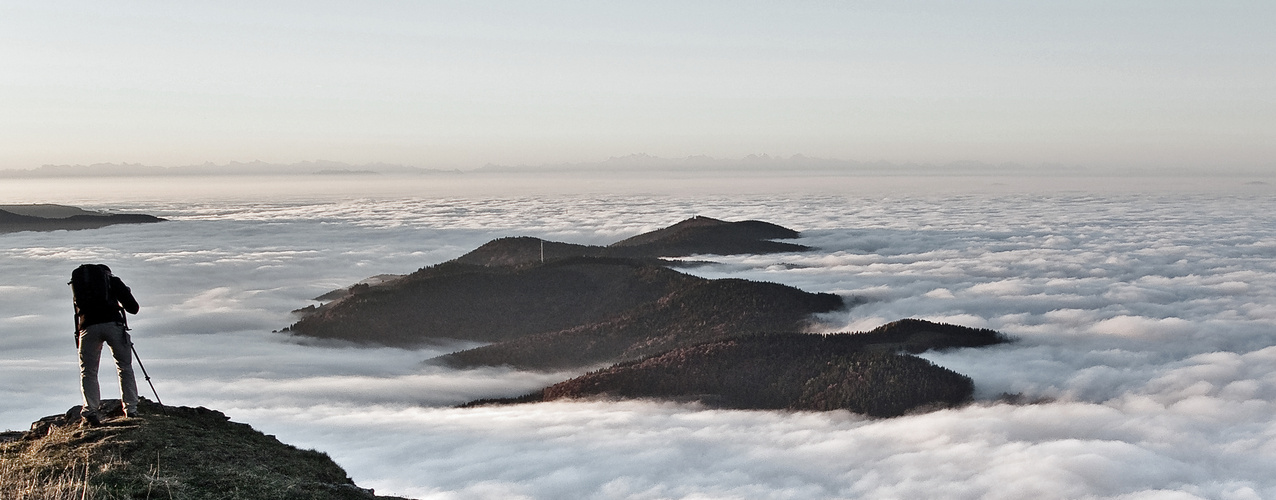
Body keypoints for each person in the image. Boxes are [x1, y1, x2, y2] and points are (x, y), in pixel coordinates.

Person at [70, 264, 141, 425]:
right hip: (113, 325)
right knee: (124, 367)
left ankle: (90, 411)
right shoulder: (112, 281)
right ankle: (131, 409)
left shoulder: (80, 286)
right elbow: (133, 308)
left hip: (87, 328)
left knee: (88, 371)